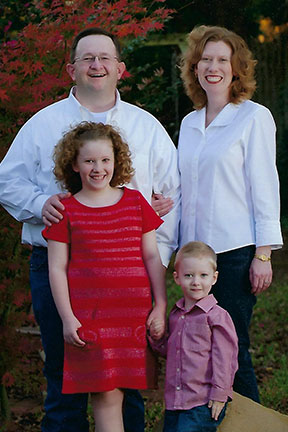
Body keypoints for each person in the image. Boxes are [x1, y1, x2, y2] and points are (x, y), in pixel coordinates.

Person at [0, 27, 180, 432]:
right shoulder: (43, 125)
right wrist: (36, 204)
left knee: (126, 385)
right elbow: (6, 180)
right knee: (63, 381)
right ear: (72, 69)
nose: (96, 66)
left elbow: (172, 195)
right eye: (86, 58)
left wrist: (157, 280)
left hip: (127, 276)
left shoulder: (146, 126)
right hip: (58, 269)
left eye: (104, 58)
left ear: (120, 68)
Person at [178, 25, 283, 402]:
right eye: (205, 58)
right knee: (199, 354)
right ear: (194, 66)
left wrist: (263, 254)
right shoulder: (189, 123)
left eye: (222, 59)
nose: (213, 66)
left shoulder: (253, 117)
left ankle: (250, 425)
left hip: (235, 253)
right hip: (193, 259)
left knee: (231, 349)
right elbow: (183, 190)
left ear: (236, 68)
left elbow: (265, 185)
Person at [42, 121, 166, 432]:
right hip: (92, 318)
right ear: (74, 163)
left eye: (105, 160)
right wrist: (68, 318)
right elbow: (56, 268)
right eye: (89, 161)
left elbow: (152, 256)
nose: (98, 168)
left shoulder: (136, 202)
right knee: (106, 395)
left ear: (116, 160)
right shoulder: (65, 211)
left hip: (133, 317)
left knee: (122, 392)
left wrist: (160, 305)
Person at [149, 241, 238, 432]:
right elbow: (172, 350)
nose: (196, 281)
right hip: (175, 401)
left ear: (214, 278)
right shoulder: (176, 314)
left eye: (203, 275)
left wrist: (220, 394)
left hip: (203, 401)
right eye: (188, 275)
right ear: (177, 278)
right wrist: (157, 339)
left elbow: (225, 359)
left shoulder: (217, 316)